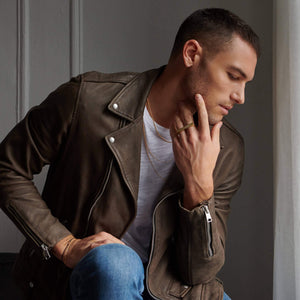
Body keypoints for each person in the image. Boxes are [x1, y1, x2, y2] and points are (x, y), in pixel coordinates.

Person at [0, 7, 259, 300]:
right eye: (233, 76)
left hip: (171, 289)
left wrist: (199, 187)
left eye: (246, 83)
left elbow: (197, 273)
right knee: (118, 264)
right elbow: (7, 167)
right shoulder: (88, 101)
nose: (241, 96)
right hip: (90, 276)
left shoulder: (227, 149)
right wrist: (65, 244)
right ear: (191, 54)